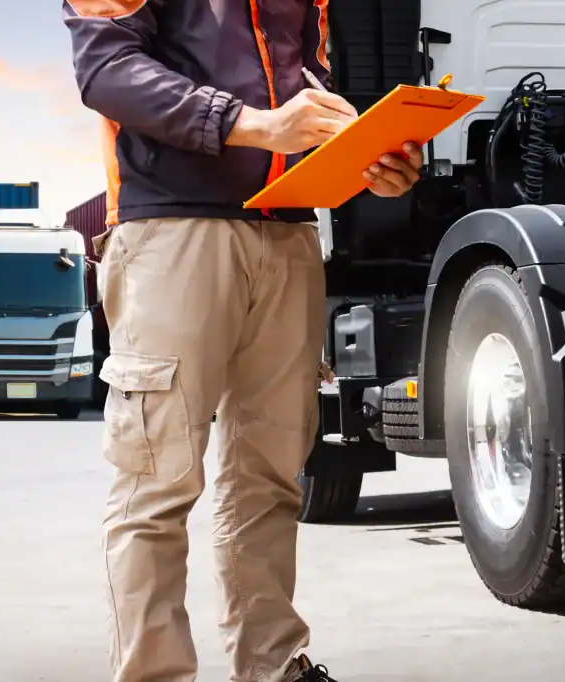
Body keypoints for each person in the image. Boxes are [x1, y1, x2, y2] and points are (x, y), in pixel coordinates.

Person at [62, 2, 424, 681]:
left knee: (269, 477)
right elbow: (106, 68)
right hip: (172, 233)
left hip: (287, 230)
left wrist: (362, 158)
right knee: (156, 481)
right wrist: (252, 125)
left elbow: (305, 86)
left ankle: (274, 667)